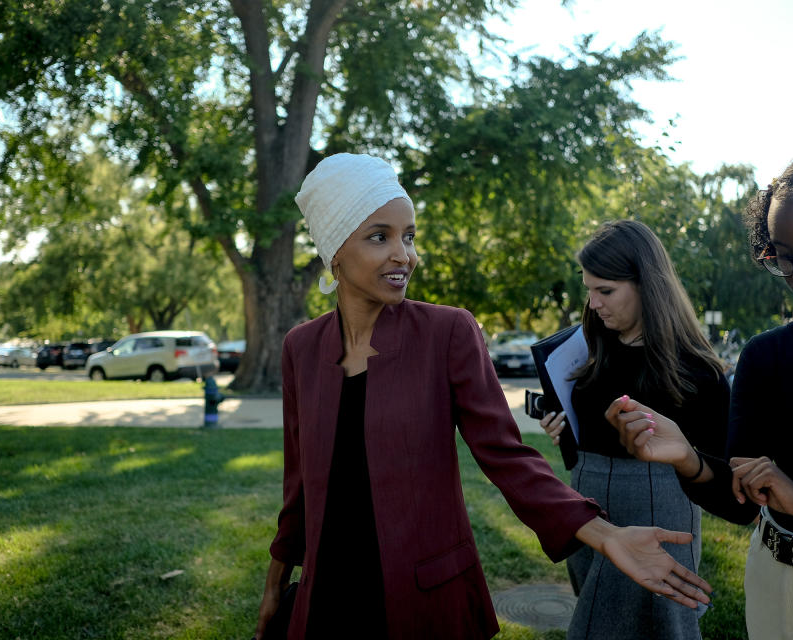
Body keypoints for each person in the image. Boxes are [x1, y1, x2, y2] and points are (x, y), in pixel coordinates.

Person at [253, 153, 712, 640]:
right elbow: (298, 486)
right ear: (334, 250)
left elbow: (507, 457)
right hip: (330, 599)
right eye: (379, 236)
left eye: (409, 236)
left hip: (424, 600)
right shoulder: (300, 348)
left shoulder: (447, 332)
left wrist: (605, 534)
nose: (404, 254)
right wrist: (274, 588)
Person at [607, 147, 793, 639]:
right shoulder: (767, 357)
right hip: (773, 582)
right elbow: (744, 501)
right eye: (782, 257)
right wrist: (688, 459)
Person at [538, 220, 730, 639]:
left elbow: (721, 476)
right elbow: (587, 440)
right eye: (588, 290)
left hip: (657, 513)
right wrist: (565, 434)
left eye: (604, 291)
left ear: (646, 285)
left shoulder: (697, 372)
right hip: (588, 514)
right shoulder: (591, 354)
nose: (592, 304)